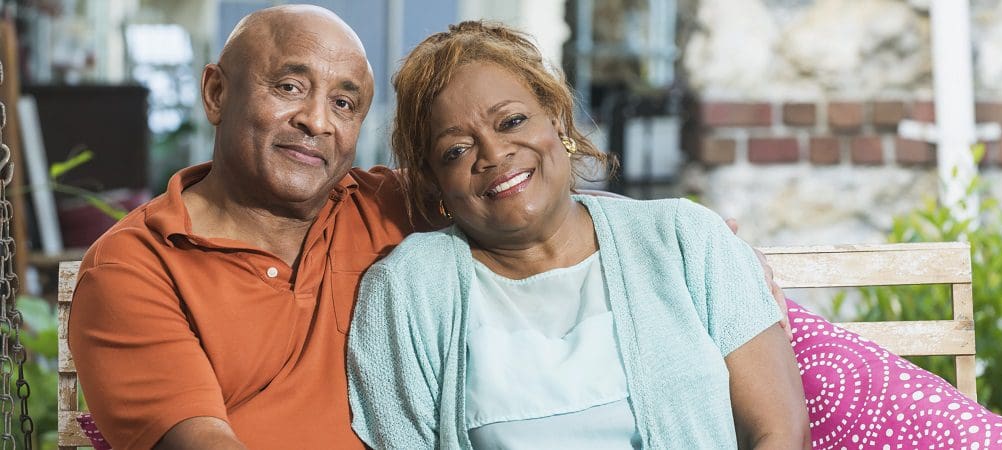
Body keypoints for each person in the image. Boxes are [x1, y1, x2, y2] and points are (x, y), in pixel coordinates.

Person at [346, 21, 810, 449]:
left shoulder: (684, 238)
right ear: (433, 179)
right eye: (457, 149)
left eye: (512, 121)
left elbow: (781, 431)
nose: (494, 153)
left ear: (556, 119)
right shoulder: (406, 291)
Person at [67, 5, 416, 449]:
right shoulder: (136, 267)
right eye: (290, 87)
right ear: (216, 93)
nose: (317, 121)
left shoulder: (391, 208)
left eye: (343, 104)